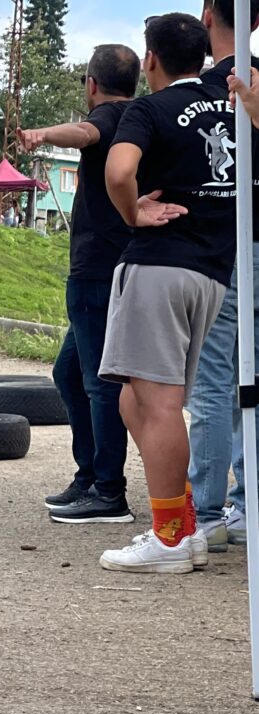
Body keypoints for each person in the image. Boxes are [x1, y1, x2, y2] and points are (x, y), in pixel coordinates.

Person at [96, 12, 236, 574]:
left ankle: (170, 539)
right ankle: (184, 522)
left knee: (157, 405)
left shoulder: (148, 109)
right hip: (210, 275)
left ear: (149, 59)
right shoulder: (233, 104)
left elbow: (119, 170)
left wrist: (134, 212)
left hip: (158, 266)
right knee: (137, 398)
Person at [20, 43, 142, 525]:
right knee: (68, 375)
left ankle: (109, 491)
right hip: (106, 270)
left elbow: (85, 133)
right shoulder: (139, 120)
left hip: (96, 273)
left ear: (92, 85)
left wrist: (42, 133)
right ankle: (89, 476)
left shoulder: (113, 119)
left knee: (99, 383)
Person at [186, 0, 259, 551]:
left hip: (218, 249)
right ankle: (245, 505)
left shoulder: (196, 94)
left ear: (209, 14)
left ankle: (207, 512)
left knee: (212, 383)